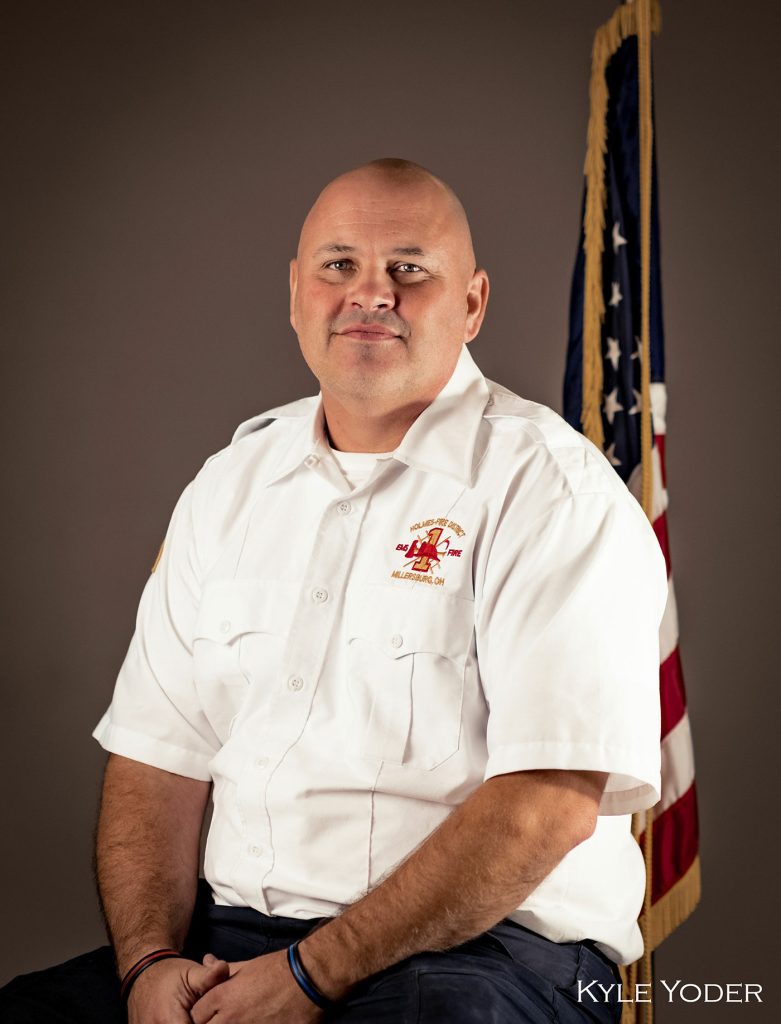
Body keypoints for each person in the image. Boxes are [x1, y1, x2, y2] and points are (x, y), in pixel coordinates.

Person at [0, 158, 667, 1024]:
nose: (370, 293)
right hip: (228, 942)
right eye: (338, 264)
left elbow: (546, 806)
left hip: (489, 957)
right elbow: (154, 760)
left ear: (472, 303)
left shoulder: (550, 493)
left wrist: (312, 976)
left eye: (409, 269)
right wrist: (148, 967)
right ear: (294, 293)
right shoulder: (229, 486)